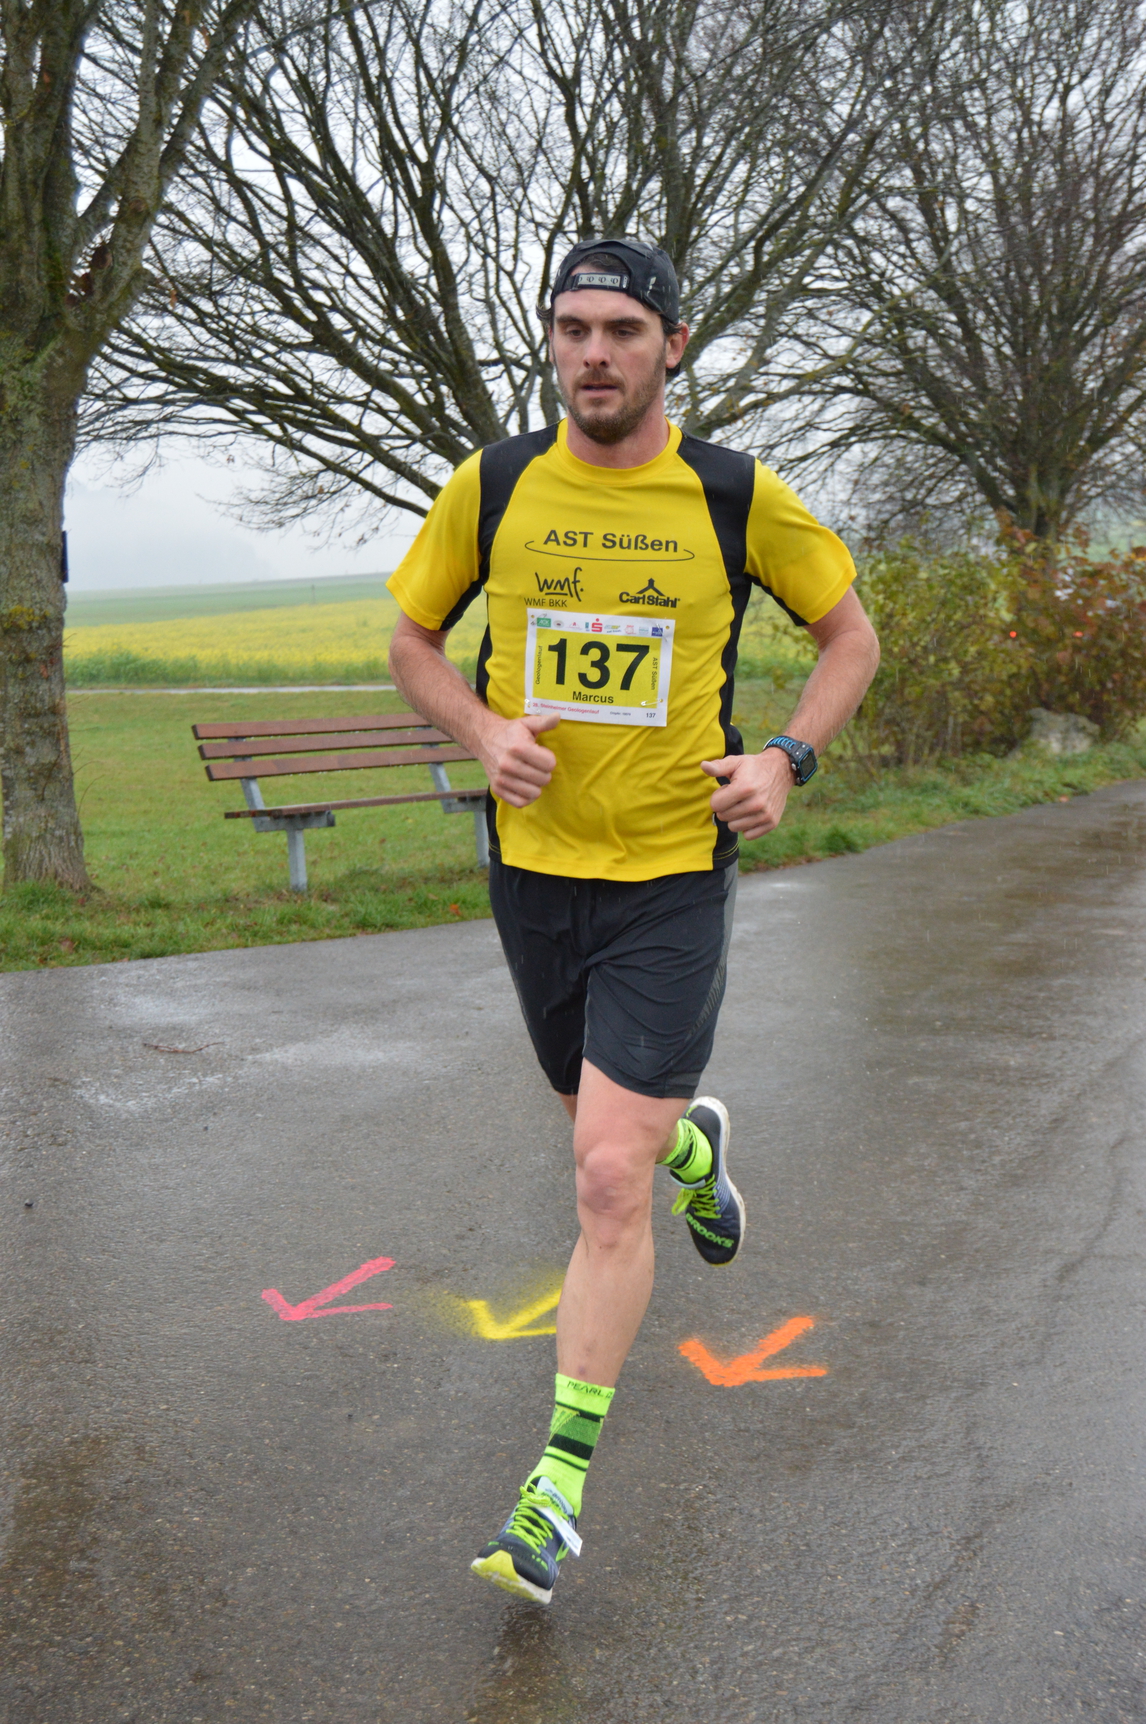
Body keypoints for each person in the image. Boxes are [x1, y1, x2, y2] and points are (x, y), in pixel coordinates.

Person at [387, 236, 880, 1604]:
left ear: (672, 346)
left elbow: (850, 637)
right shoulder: (493, 486)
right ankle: (690, 1146)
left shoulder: (733, 494)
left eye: (619, 330)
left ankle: (553, 1492)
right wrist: (481, 729)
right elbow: (412, 643)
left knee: (604, 1174)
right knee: (603, 1130)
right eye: (571, 329)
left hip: (669, 872)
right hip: (534, 875)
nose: (592, 354)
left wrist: (786, 757)